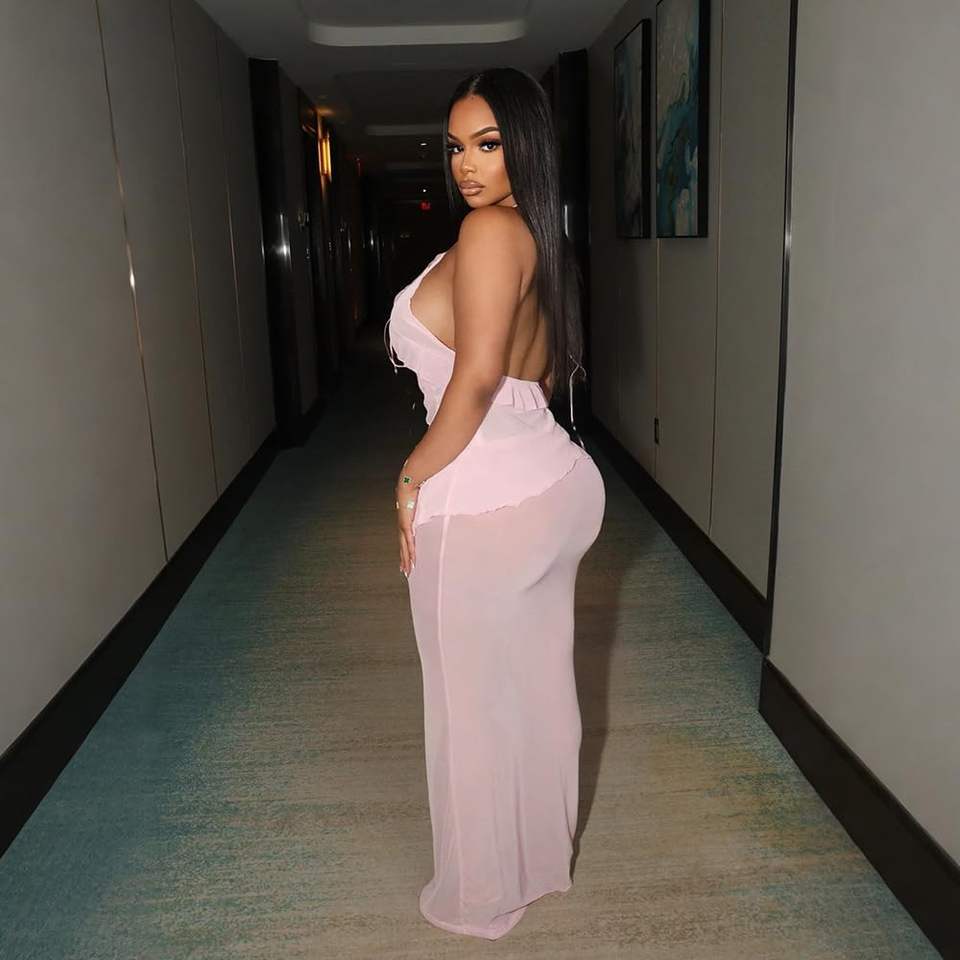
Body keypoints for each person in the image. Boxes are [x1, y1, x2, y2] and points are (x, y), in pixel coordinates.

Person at [383, 67, 606, 940]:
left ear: (525, 146)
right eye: (455, 147)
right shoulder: (536, 236)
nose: (466, 165)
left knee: (468, 712)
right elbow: (535, 381)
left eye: (487, 143)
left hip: (484, 504)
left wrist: (410, 477)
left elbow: (475, 382)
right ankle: (541, 860)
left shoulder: (485, 233)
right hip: (553, 485)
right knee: (536, 690)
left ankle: (480, 897)